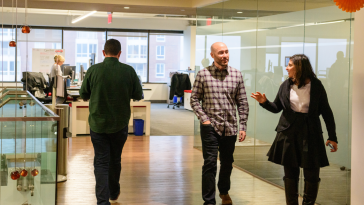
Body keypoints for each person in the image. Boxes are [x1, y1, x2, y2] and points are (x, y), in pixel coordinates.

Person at [251, 54, 338, 205]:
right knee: (290, 175)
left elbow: (327, 113)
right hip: (288, 133)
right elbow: (277, 107)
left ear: (300, 67)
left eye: (290, 65)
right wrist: (264, 102)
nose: (287, 68)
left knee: (312, 174)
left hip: (310, 133)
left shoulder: (316, 85)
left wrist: (332, 137)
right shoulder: (285, 84)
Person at [80, 39, 143, 205]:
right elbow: (138, 94)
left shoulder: (93, 70)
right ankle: (113, 192)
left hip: (98, 124)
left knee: (101, 161)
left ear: (103, 53)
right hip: (119, 124)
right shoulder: (129, 71)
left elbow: (83, 94)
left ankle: (102, 201)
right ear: (119, 53)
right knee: (115, 159)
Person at [191, 42, 249, 205]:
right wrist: (205, 119)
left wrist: (242, 125)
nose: (225, 55)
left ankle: (224, 191)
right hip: (210, 127)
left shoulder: (237, 75)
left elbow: (242, 101)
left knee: (227, 162)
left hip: (230, 127)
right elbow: (194, 99)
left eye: (226, 52)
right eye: (221, 53)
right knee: (210, 163)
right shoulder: (203, 75)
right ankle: (209, 200)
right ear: (213, 55)